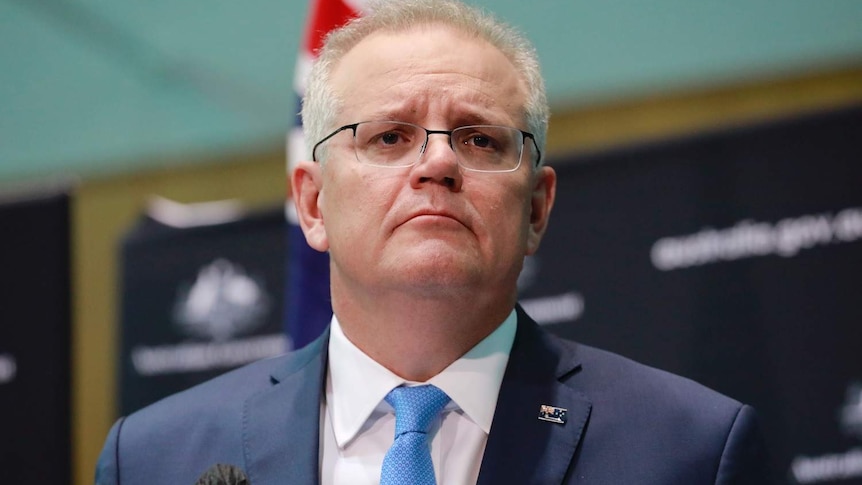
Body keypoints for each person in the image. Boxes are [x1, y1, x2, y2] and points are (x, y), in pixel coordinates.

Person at [95, 0, 769, 483]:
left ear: (536, 207)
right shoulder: (159, 459)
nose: (438, 164)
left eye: (480, 138)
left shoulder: (689, 451)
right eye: (390, 136)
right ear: (313, 201)